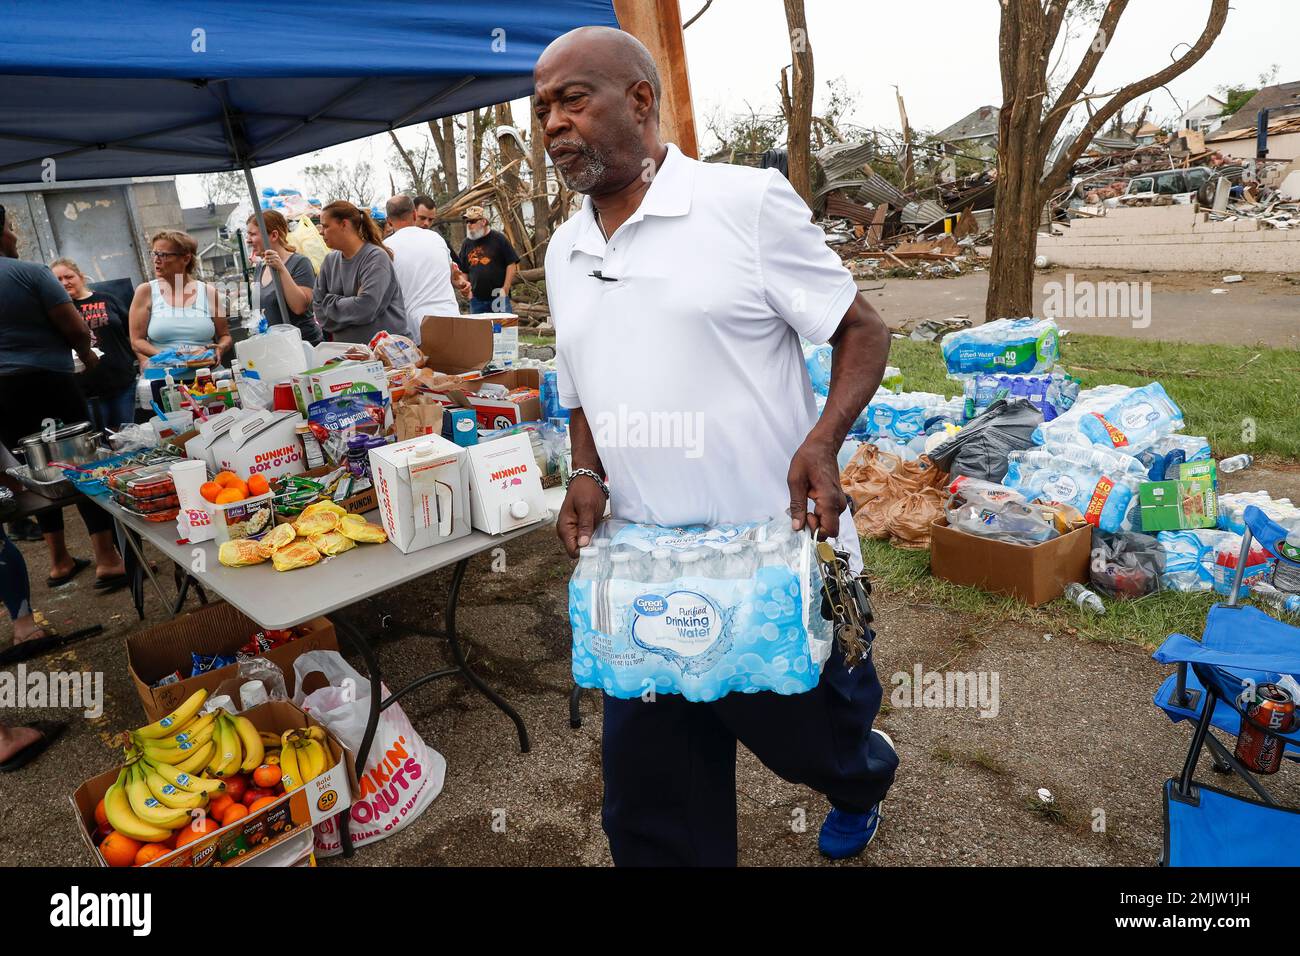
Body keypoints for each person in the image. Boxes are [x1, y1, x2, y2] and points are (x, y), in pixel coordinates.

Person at [536, 27, 898, 867]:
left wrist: (823, 442)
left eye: (573, 98)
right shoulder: (564, 248)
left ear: (639, 99)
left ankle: (860, 781)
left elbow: (862, 331)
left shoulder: (743, 204)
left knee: (813, 744)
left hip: (776, 555)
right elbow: (579, 376)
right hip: (646, 575)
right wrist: (584, 468)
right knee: (649, 811)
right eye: (543, 106)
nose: (553, 122)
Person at [0, 204, 127, 590]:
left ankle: (58, 560)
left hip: (2, 395)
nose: (15, 235)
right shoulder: (30, 272)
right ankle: (106, 557)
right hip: (49, 383)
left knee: (32, 469)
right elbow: (75, 328)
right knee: (78, 465)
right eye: (10, 227)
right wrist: (87, 356)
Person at [50, 258, 138, 432]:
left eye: (69, 276)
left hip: (122, 382)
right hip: (85, 391)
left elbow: (132, 333)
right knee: (98, 441)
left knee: (126, 436)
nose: (65, 283)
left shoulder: (107, 300)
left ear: (81, 277)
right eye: (58, 280)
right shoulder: (56, 312)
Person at [128, 230, 232, 367]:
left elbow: (225, 336)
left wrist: (221, 348)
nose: (156, 260)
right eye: (154, 254)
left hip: (207, 376)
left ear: (186, 258)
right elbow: (137, 341)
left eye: (163, 255)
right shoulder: (146, 291)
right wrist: (169, 358)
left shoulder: (209, 292)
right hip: (165, 378)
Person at [312, 200, 409, 345]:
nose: (321, 232)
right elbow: (319, 311)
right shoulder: (329, 261)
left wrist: (329, 303)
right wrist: (352, 306)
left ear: (344, 224)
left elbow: (366, 308)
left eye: (326, 226)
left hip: (387, 356)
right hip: (347, 355)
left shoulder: (376, 258)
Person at [384, 194, 461, 341]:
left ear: (388, 221)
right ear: (414, 214)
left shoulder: (386, 248)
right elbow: (452, 273)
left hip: (415, 329)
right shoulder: (437, 239)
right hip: (451, 320)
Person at [246, 210, 322, 345]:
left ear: (274, 235)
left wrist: (281, 269)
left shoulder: (300, 263)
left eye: (252, 234)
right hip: (276, 348)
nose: (248, 240)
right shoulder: (260, 268)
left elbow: (299, 307)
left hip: (302, 345)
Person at [456, 205, 519, 314]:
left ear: (483, 222)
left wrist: (506, 288)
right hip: (476, 299)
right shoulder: (467, 243)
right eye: (467, 222)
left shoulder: (499, 239)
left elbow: (511, 263)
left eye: (472, 221)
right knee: (479, 331)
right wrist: (467, 289)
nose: (469, 225)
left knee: (501, 330)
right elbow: (464, 270)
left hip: (498, 296)